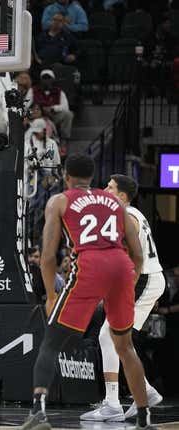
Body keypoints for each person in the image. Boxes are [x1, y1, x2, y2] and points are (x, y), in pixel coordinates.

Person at [18, 154, 152, 430]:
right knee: (125, 347)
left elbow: (48, 257)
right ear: (93, 178)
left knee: (51, 342)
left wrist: (52, 297)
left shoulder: (60, 200)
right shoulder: (116, 202)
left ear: (67, 176)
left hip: (91, 265)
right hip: (121, 266)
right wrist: (130, 279)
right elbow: (137, 254)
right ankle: (143, 417)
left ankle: (38, 412)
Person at [80, 175, 165, 422]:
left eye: (110, 187)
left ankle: (113, 403)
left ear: (121, 196)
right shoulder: (127, 213)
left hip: (142, 279)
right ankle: (143, 392)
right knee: (119, 340)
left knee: (109, 335)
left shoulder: (126, 216)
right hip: (145, 279)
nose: (104, 188)